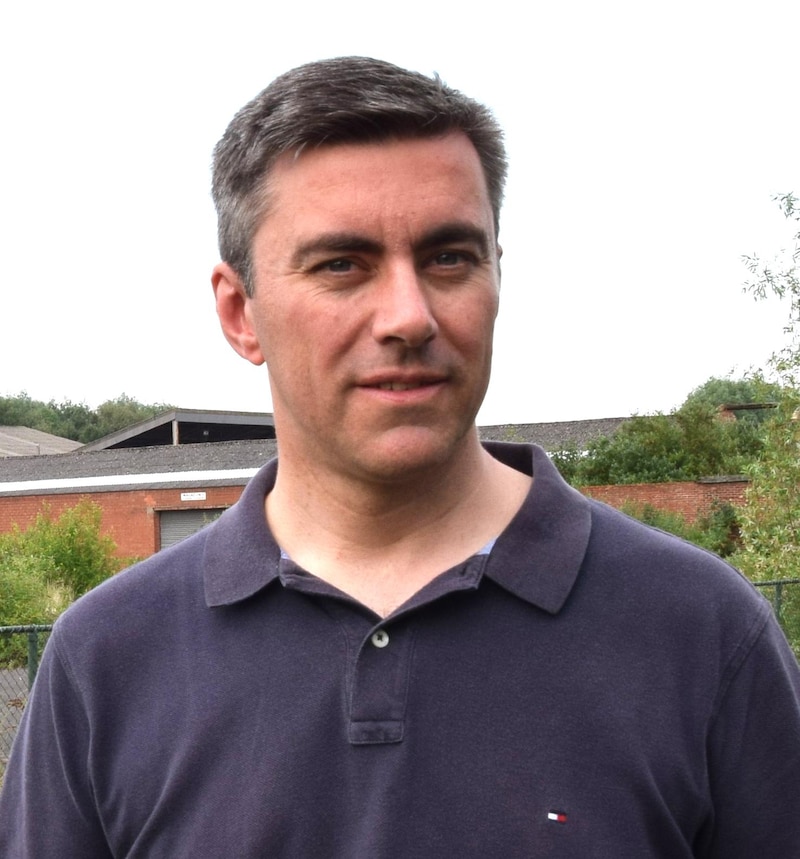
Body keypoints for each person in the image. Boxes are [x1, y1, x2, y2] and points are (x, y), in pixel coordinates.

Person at [1, 56, 799, 858]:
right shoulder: (104, 663)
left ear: (497, 276)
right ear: (240, 312)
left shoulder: (704, 634)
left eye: (449, 257)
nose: (409, 316)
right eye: (342, 265)